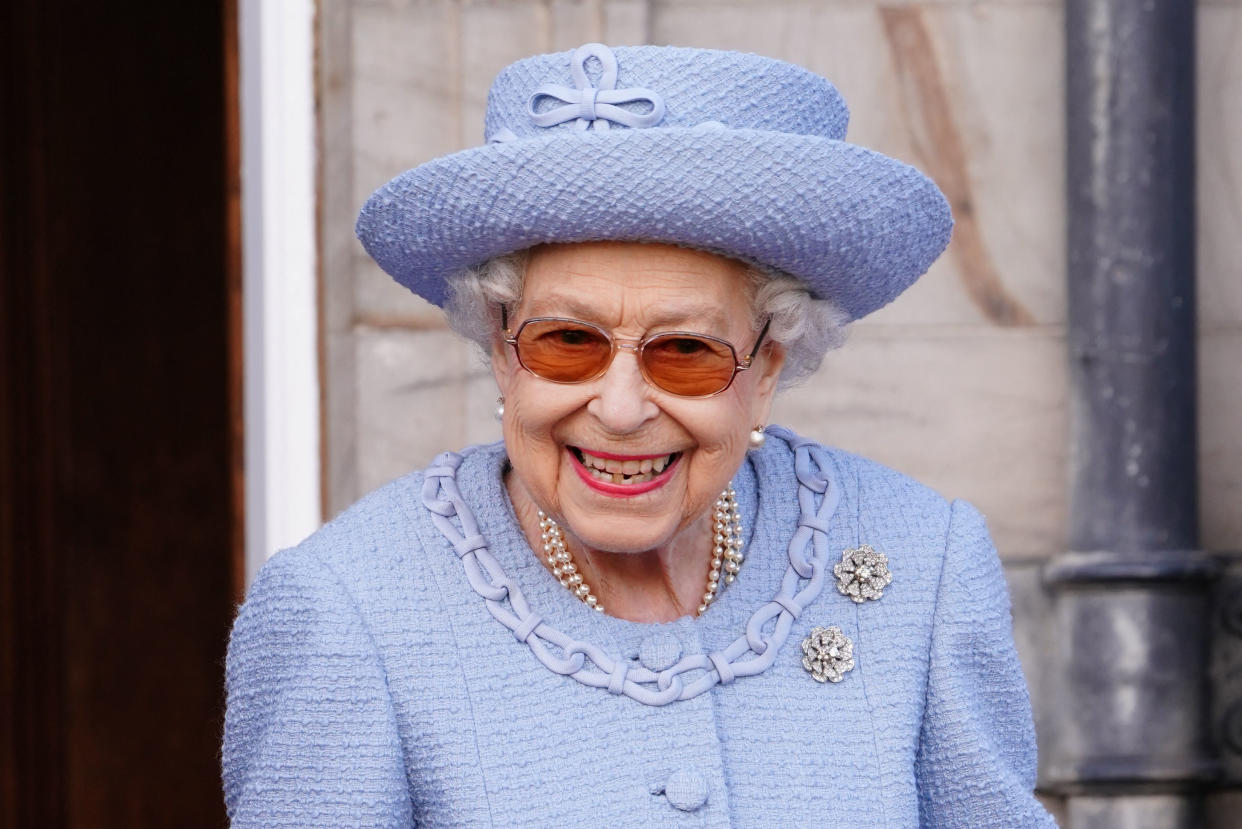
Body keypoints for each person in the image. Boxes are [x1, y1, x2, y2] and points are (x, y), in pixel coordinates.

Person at [222, 43, 1056, 827]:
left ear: (768, 366)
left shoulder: (923, 562)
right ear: (500, 349)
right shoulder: (345, 612)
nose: (620, 409)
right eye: (567, 342)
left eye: (685, 351)